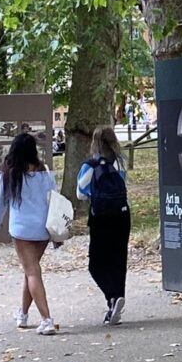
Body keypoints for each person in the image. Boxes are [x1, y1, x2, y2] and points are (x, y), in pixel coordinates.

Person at [0, 133, 59, 336]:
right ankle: (23, 314)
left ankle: (47, 319)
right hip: (43, 229)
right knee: (31, 271)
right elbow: (53, 198)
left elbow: (0, 201)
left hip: (21, 229)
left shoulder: (10, 174)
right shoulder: (44, 172)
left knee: (32, 272)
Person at [77, 126, 130, 325]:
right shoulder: (120, 163)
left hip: (101, 216)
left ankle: (112, 296)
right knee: (118, 259)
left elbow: (80, 193)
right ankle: (117, 299)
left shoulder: (90, 165)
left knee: (96, 263)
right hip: (123, 215)